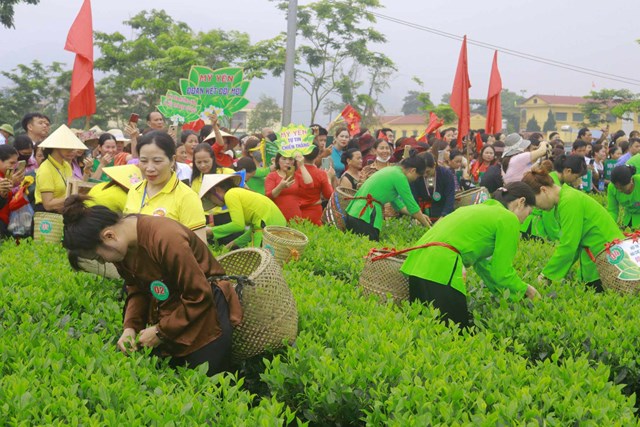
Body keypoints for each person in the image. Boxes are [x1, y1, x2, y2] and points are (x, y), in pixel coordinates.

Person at [61, 195, 241, 376]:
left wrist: (160, 332)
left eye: (99, 258)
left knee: (205, 384)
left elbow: (199, 295)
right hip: (171, 313)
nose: (103, 262)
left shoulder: (166, 237)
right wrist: (130, 327)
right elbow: (136, 287)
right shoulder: (121, 244)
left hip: (205, 315)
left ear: (109, 235)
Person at [400, 182, 540, 327]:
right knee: (454, 334)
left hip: (417, 266)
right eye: (528, 213)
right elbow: (502, 272)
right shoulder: (508, 218)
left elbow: (484, 266)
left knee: (426, 331)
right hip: (442, 269)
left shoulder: (478, 210)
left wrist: (505, 294)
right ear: (521, 202)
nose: (524, 221)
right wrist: (526, 290)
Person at [522, 163, 624, 292]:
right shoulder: (565, 199)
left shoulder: (569, 200)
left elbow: (569, 245)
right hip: (599, 257)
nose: (536, 208)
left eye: (534, 202)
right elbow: (572, 245)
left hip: (606, 258)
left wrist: (546, 276)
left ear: (543, 190)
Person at [123, 131, 206, 243]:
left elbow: (200, 248)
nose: (149, 168)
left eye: (157, 161)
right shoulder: (135, 189)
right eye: (143, 161)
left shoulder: (187, 197)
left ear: (172, 160)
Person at [345, 154, 431, 241]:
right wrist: (429, 228)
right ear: (413, 170)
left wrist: (421, 216)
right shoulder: (400, 177)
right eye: (418, 176)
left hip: (355, 212)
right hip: (366, 214)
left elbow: (398, 205)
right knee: (370, 249)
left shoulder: (392, 170)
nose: (416, 179)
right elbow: (412, 205)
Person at [199, 174, 286, 248]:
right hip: (276, 224)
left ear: (216, 190)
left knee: (259, 261)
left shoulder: (230, 195)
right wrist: (233, 244)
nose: (213, 203)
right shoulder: (238, 192)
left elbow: (238, 225)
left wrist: (210, 231)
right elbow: (253, 230)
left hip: (267, 226)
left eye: (209, 198)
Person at [520, 155, 587, 241]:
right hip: (536, 229)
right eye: (576, 177)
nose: (576, 180)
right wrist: (558, 239)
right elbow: (549, 219)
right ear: (568, 171)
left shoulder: (553, 179)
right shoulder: (554, 185)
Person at [35, 125, 88, 213]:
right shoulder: (46, 170)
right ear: (57, 146)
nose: (73, 151)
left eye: (74, 148)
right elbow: (48, 205)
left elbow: (70, 190)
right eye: (69, 148)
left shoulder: (66, 165)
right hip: (48, 217)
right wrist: (75, 197)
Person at [410, 152, 456, 221]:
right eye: (422, 172)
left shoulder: (446, 174)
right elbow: (413, 198)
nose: (425, 175)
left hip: (442, 212)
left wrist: (444, 216)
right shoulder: (416, 176)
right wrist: (418, 216)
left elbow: (450, 197)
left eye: (427, 171)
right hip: (423, 213)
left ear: (434, 165)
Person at [296, 146, 333, 225]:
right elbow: (329, 195)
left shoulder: (294, 171)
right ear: (317, 156)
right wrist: (329, 178)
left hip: (295, 211)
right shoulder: (321, 174)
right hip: (314, 212)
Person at [265, 153, 302, 221]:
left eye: (290, 159)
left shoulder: (297, 176)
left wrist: (302, 165)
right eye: (284, 159)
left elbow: (310, 186)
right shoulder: (272, 176)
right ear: (278, 161)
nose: (287, 162)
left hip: (295, 216)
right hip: (278, 216)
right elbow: (268, 196)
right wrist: (280, 187)